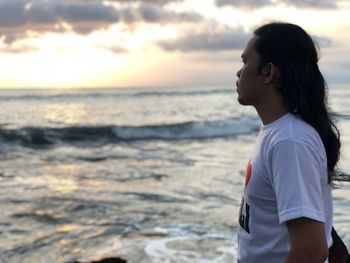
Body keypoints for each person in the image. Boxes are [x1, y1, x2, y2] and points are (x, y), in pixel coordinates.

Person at [235, 22, 349, 262]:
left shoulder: (290, 140)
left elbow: (311, 249)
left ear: (268, 71)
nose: (239, 72)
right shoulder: (279, 132)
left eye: (245, 62)